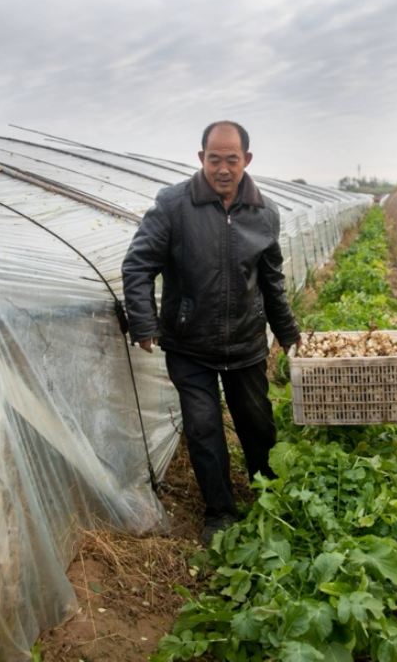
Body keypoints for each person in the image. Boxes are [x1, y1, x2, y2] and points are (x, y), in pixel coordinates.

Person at [122, 121, 302, 546]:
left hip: (245, 344)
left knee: (258, 425)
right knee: (203, 428)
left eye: (232, 160)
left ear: (247, 161)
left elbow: (271, 282)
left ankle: (267, 495)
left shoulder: (265, 213)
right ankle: (219, 511)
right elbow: (138, 265)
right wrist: (145, 322)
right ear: (201, 158)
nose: (223, 168)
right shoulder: (173, 205)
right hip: (189, 345)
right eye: (214, 159)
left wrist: (289, 333)